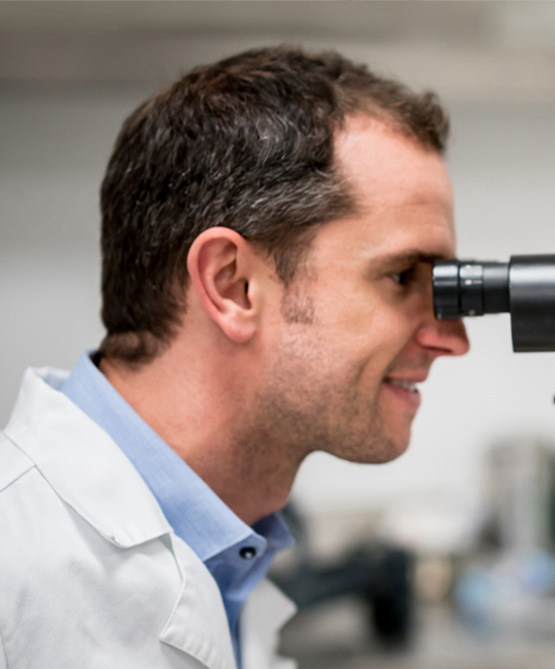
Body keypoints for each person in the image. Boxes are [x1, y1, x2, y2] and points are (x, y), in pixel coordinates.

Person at [0, 46, 469, 669]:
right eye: (405, 276)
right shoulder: (16, 570)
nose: (453, 338)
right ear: (233, 286)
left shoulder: (227, 560)